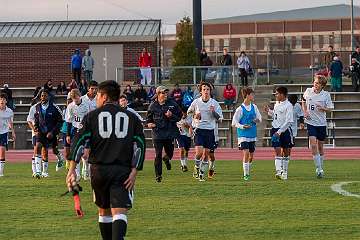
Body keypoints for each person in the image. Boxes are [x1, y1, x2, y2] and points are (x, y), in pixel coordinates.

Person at [66, 80, 146, 240]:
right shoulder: (132, 118)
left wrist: (71, 170)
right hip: (122, 171)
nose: (96, 99)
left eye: (97, 95)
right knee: (119, 210)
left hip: (98, 171)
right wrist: (135, 170)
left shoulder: (91, 117)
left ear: (104, 96)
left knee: (104, 211)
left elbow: (78, 142)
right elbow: (141, 145)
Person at [187, 82, 223, 182]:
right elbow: (189, 112)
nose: (206, 91)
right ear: (201, 91)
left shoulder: (214, 103)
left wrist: (213, 112)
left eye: (207, 89)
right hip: (199, 129)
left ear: (210, 91)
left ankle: (202, 174)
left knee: (206, 154)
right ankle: (196, 167)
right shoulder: (196, 102)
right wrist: (195, 115)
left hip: (210, 131)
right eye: (204, 89)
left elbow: (220, 118)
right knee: (198, 153)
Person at [146, 86, 182, 182]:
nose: (165, 94)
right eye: (163, 93)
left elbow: (180, 116)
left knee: (170, 153)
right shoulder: (152, 106)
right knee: (158, 154)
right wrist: (149, 124)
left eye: (166, 93)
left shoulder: (172, 104)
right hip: (157, 133)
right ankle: (158, 175)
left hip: (169, 133)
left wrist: (171, 116)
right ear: (158, 94)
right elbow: (148, 119)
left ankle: (166, 159)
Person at [302, 75, 334, 178]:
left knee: (320, 147)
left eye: (317, 83)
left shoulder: (326, 95)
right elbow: (303, 100)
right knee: (313, 145)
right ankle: (319, 169)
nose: (315, 85)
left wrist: (323, 108)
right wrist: (305, 111)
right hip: (311, 123)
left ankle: (320, 167)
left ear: (322, 85)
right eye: (314, 82)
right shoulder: (308, 91)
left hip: (321, 123)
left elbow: (330, 108)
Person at [232, 88, 262, 181]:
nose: (253, 96)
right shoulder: (240, 109)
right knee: (246, 153)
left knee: (251, 156)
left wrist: (256, 120)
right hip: (243, 135)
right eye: (252, 94)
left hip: (252, 134)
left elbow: (260, 118)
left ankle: (248, 170)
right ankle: (246, 174)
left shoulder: (254, 107)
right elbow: (234, 123)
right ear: (247, 95)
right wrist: (242, 126)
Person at [33, 89, 64, 178]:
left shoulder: (54, 107)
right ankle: (39, 172)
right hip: (41, 132)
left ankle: (60, 157)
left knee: (54, 150)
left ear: (49, 97)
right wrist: (36, 127)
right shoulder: (37, 106)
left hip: (52, 132)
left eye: (45, 95)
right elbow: (36, 118)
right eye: (42, 96)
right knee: (39, 147)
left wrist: (53, 132)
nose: (43, 97)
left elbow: (61, 121)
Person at [264, 86, 293, 180]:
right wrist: (269, 111)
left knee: (286, 152)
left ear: (282, 94)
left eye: (277, 94)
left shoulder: (288, 105)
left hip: (284, 131)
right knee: (277, 150)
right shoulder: (277, 103)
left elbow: (288, 121)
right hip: (275, 129)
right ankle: (278, 171)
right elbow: (276, 115)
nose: (275, 95)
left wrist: (279, 132)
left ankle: (285, 171)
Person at [65, 89, 91, 181]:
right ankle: (77, 173)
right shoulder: (70, 107)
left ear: (79, 96)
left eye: (76, 98)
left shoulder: (86, 105)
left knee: (86, 152)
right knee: (76, 151)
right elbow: (68, 121)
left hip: (86, 129)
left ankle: (86, 169)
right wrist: (68, 134)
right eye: (73, 99)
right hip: (76, 130)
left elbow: (89, 118)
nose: (75, 100)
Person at [0, 93, 15, 177]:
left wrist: (13, 132)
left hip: (4, 133)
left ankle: (1, 172)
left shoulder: (9, 111)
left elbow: (10, 122)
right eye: (0, 99)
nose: (2, 100)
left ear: (6, 101)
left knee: (2, 152)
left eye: (3, 99)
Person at [176, 107, 193, 172]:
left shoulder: (190, 118)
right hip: (179, 135)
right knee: (182, 149)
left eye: (184, 114)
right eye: (182, 114)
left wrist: (188, 126)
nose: (183, 116)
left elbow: (192, 127)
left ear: (186, 113)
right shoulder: (177, 118)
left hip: (187, 136)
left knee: (186, 151)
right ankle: (183, 165)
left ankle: (185, 163)